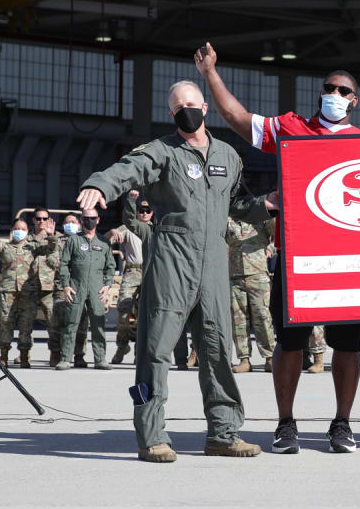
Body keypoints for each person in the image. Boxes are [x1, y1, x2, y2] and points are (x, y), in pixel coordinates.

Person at [78, 79, 271, 463]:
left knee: (217, 349)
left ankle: (224, 433)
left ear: (204, 107)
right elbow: (129, 169)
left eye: (191, 103)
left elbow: (236, 204)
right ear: (172, 114)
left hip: (215, 260)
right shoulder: (162, 151)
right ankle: (152, 436)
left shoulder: (229, 156)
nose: (186, 109)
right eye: (178, 106)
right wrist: (100, 185)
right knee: (156, 350)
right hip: (172, 256)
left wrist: (270, 205)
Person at [195, 41, 360, 454]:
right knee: (290, 344)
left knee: (347, 345)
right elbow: (237, 119)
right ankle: (286, 423)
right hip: (297, 259)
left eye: (343, 91)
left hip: (345, 261)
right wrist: (211, 74)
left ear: (354, 101)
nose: (335, 95)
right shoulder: (292, 127)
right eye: (329, 88)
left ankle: (341, 424)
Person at [0, 211, 57, 368]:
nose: (20, 231)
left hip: (27, 293)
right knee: (5, 325)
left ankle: (24, 356)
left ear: (27, 230)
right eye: (17, 228)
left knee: (26, 326)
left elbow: (50, 249)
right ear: (12, 230)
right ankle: (3, 356)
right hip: (8, 292)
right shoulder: (4, 246)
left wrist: (51, 236)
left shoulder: (33, 247)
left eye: (23, 229)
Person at [55, 207, 115, 371]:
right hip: (76, 287)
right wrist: (66, 285)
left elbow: (110, 266)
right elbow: (64, 264)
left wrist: (107, 285)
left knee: (98, 324)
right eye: (86, 218)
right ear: (81, 220)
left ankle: (100, 359)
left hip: (96, 289)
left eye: (93, 218)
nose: (90, 221)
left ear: (98, 220)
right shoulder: (74, 240)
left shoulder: (103, 242)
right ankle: (66, 359)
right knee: (71, 324)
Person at [226, 215, 277, 374]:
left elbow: (279, 234)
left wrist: (270, 249)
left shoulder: (261, 217)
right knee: (238, 319)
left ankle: (270, 358)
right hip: (235, 275)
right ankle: (244, 359)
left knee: (263, 317)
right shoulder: (227, 219)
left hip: (258, 274)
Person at [108, 192, 153, 365]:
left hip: (149, 272)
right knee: (123, 310)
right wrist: (112, 232)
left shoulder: (155, 227)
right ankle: (122, 345)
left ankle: (139, 352)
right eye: (140, 210)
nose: (144, 213)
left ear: (152, 212)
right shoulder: (128, 228)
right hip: (132, 272)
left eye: (147, 210)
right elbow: (108, 240)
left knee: (145, 315)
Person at [23, 208, 67, 367]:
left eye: (45, 218)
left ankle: (55, 353)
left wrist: (51, 235)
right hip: (30, 285)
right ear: (33, 220)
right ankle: (24, 354)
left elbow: (60, 256)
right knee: (26, 322)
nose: (42, 221)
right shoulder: (26, 239)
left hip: (49, 286)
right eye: (38, 218)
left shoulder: (58, 238)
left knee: (53, 323)